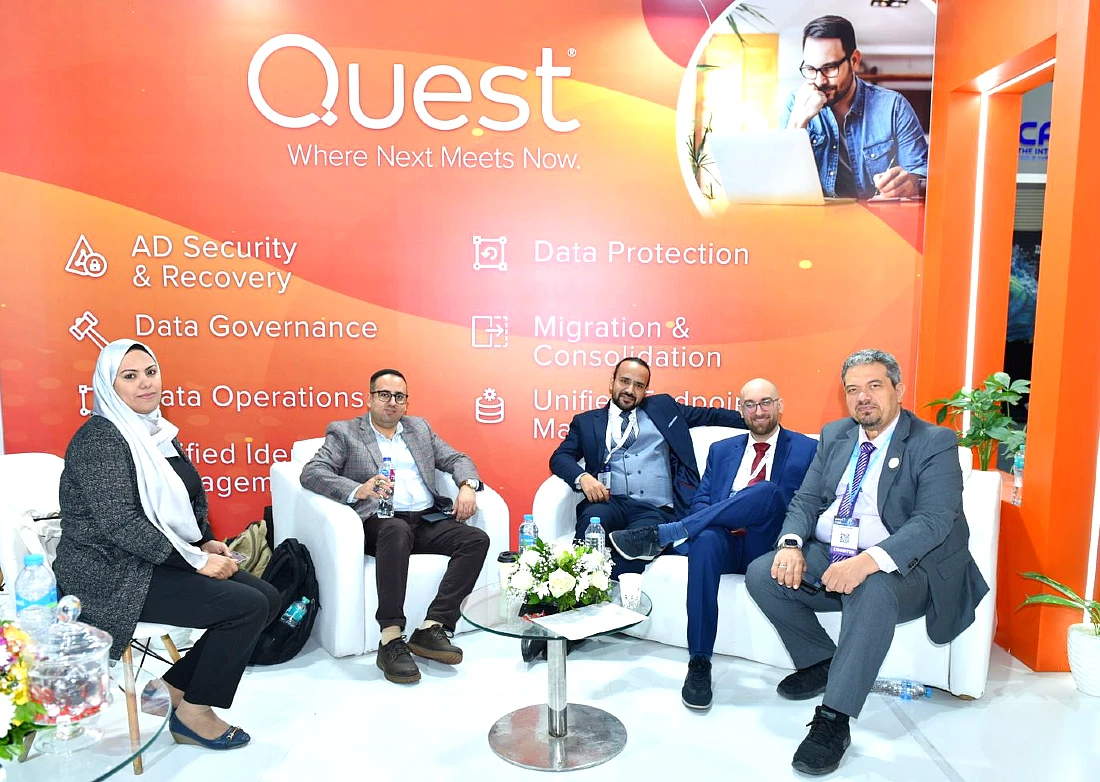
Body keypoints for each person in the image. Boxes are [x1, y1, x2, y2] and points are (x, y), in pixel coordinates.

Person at [745, 349, 989, 776]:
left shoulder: (935, 441)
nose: (863, 398)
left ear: (898, 389)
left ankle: (833, 721)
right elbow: (805, 500)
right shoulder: (835, 434)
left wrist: (869, 561)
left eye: (874, 386)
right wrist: (789, 543)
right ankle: (822, 661)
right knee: (764, 573)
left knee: (872, 587)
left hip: (909, 567)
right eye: (853, 390)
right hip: (832, 552)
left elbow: (933, 520)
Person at [54, 340, 281, 751]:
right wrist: (195, 562)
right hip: (109, 575)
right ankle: (194, 715)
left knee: (267, 595)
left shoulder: (157, 431)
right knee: (248, 607)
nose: (145, 384)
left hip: (154, 558)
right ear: (109, 385)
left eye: (150, 372)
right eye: (130, 376)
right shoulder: (99, 440)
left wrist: (206, 540)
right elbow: (120, 524)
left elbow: (187, 499)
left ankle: (174, 686)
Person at [608, 378, 816, 710]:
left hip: (769, 542)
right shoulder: (722, 450)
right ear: (740, 409)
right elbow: (703, 501)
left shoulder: (807, 449)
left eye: (765, 402)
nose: (758, 411)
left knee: (765, 491)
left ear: (780, 405)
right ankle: (700, 661)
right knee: (704, 540)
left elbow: (811, 504)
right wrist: (709, 520)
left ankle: (665, 534)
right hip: (725, 542)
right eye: (750, 404)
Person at [299, 368, 489, 685]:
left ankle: (433, 627)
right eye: (384, 395)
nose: (392, 402)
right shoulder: (346, 433)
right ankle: (390, 639)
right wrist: (355, 489)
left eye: (399, 397)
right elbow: (313, 472)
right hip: (380, 523)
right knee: (396, 530)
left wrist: (467, 485)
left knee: (474, 540)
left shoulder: (419, 428)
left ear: (406, 403)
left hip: (425, 519)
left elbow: (457, 458)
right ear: (370, 398)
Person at [549, 357, 745, 577]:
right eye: (624, 381)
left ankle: (606, 601)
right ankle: (575, 593)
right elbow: (560, 457)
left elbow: (711, 415)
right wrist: (583, 477)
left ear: (645, 390)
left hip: (653, 508)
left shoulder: (663, 408)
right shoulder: (586, 421)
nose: (630, 390)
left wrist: (755, 419)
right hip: (608, 502)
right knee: (592, 526)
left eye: (639, 386)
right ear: (612, 382)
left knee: (637, 547)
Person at [781, 15, 929, 200]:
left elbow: (922, 173)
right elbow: (780, 182)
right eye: (811, 69)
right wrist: (798, 122)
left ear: (854, 61)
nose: (819, 80)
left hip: (877, 222)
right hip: (814, 221)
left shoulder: (894, 107)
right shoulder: (794, 103)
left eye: (829, 68)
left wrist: (911, 182)